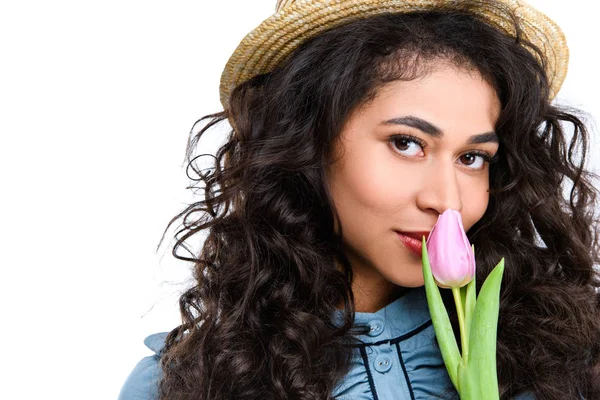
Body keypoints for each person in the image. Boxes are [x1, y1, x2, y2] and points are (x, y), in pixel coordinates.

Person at [118, 0, 600, 399]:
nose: (446, 200)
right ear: (310, 143)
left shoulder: (561, 356)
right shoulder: (185, 383)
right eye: (406, 143)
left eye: (472, 157)